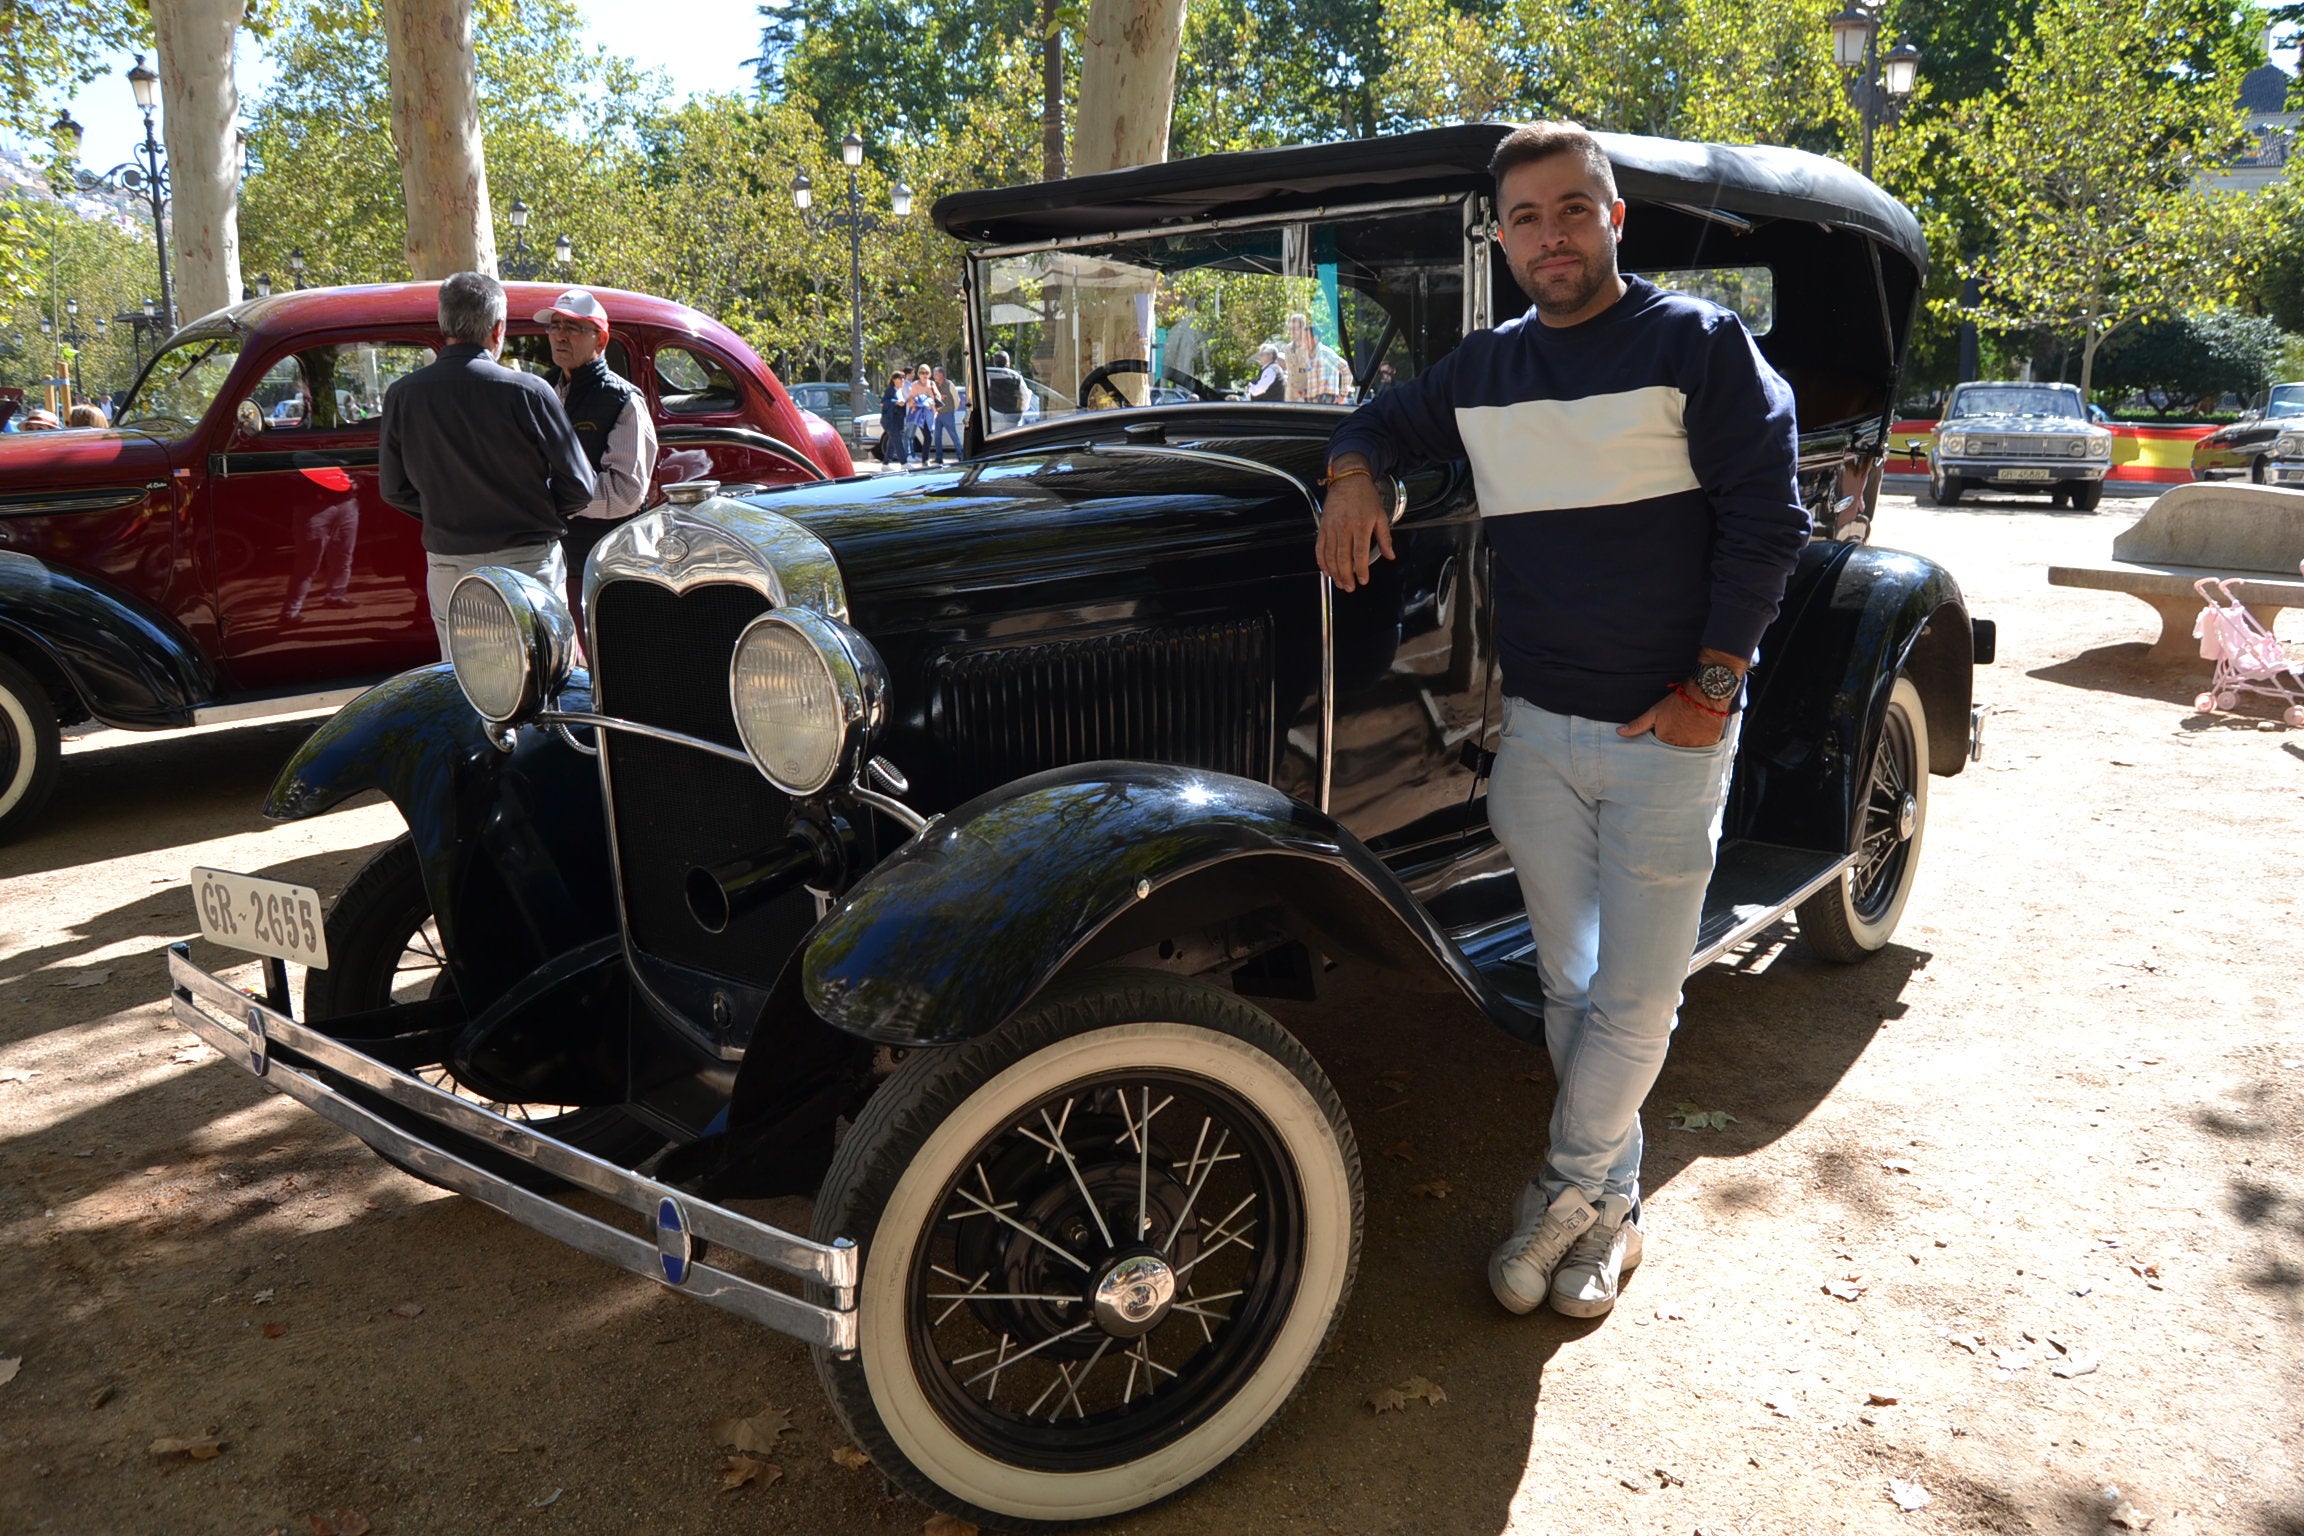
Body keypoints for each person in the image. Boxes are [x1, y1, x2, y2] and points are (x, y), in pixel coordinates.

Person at [1318, 121, 1809, 1321]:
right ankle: (1616, 1207)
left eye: (1573, 210)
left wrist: (1711, 689)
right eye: (1527, 218)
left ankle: (1562, 1193)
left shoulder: (1697, 342)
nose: (1552, 236)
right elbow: (1381, 420)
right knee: (1570, 985)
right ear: (1501, 237)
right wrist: (1349, 475)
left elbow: (1771, 519)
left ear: (1613, 218)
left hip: (1666, 737)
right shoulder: (1482, 368)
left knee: (1639, 1000)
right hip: (1536, 734)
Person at [379, 271, 594, 656]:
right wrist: (537, 510)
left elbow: (394, 489)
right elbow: (579, 483)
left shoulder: (402, 395)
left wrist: (445, 512)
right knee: (548, 676)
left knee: (466, 683)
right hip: (526, 558)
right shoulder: (527, 390)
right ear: (498, 330)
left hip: (449, 562)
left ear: (444, 325)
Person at [533, 287, 657, 626]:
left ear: (600, 341)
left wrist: (549, 495)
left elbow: (625, 494)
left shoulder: (623, 401)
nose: (559, 336)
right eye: (554, 325)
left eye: (573, 328)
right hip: (553, 559)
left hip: (608, 564)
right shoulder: (541, 390)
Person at [1286, 312, 1352, 403]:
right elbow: (1314, 383)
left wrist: (1343, 395)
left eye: (1306, 338)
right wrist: (1304, 392)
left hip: (1327, 400)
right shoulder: (1308, 357)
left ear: (1315, 339)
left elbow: (1346, 369)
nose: (1303, 341)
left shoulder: (1325, 354)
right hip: (1311, 402)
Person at [904, 363, 936, 466]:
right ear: (919, 374)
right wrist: (916, 403)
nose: (924, 375)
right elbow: (911, 398)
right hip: (918, 414)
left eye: (926, 372)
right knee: (924, 435)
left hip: (930, 413)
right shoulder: (914, 385)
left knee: (929, 436)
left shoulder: (931, 384)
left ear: (929, 374)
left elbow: (937, 396)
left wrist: (933, 400)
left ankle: (924, 459)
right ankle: (923, 459)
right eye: (922, 372)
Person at [930, 364, 961, 465]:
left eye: (936, 374)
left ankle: (961, 456)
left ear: (941, 374)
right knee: (937, 437)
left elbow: (957, 399)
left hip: (948, 414)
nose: (934, 376)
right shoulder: (934, 386)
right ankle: (939, 458)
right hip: (938, 415)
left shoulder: (949, 384)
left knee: (953, 435)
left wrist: (953, 410)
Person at [877, 371, 906, 464]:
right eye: (900, 378)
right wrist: (896, 402)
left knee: (892, 442)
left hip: (897, 421)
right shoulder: (890, 390)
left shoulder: (900, 391)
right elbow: (882, 403)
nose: (902, 380)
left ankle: (886, 463)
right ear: (894, 380)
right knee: (897, 441)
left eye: (903, 378)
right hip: (889, 420)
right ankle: (904, 463)